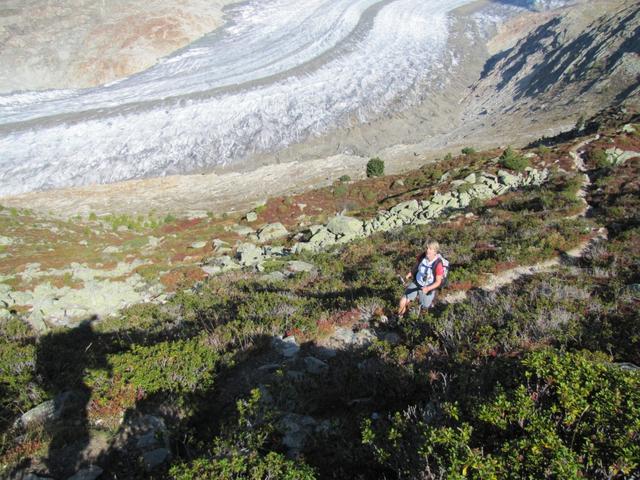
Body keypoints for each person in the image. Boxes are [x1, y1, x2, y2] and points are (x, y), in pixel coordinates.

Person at [397, 240, 445, 318]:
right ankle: (399, 317)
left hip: (428, 287)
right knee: (402, 301)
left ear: (435, 251)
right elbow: (416, 266)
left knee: (424, 307)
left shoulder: (438, 264)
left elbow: (438, 282)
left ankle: (420, 320)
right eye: (427, 248)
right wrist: (410, 273)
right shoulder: (422, 256)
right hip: (417, 282)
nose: (427, 250)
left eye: (430, 249)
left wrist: (428, 288)